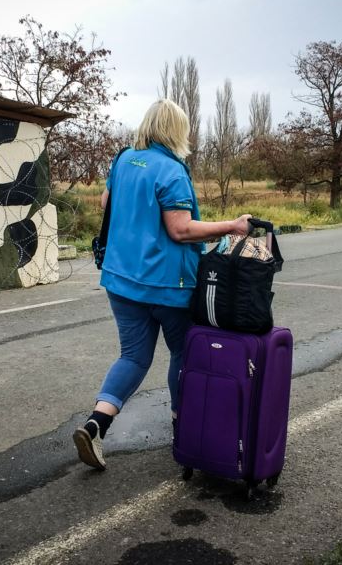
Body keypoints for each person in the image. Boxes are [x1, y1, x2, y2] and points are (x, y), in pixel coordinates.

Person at [73, 99, 251, 470]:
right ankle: (181, 424)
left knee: (133, 356)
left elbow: (107, 202)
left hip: (121, 279)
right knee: (183, 354)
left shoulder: (123, 159)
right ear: (176, 131)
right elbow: (181, 229)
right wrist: (232, 226)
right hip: (169, 284)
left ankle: (97, 424)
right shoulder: (171, 171)